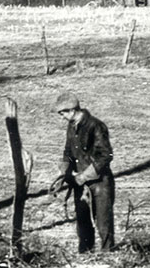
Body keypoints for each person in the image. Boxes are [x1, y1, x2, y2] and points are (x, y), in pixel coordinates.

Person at [50, 91, 115, 253]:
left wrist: (84, 176)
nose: (61, 117)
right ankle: (85, 256)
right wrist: (64, 173)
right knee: (83, 222)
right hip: (80, 184)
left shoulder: (96, 126)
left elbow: (105, 156)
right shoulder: (72, 127)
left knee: (103, 223)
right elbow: (68, 152)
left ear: (72, 110)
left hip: (100, 183)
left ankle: (109, 256)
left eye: (62, 113)